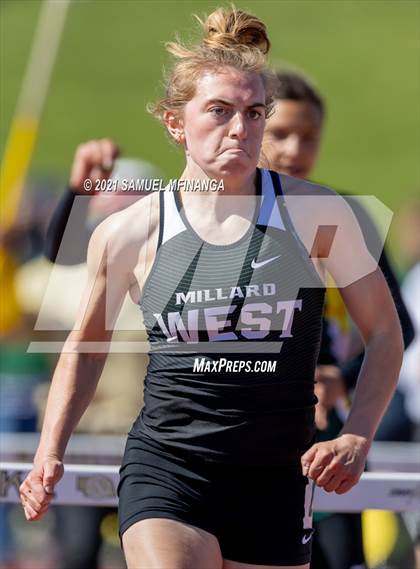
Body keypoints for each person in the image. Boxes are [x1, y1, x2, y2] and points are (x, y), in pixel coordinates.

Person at [19, 7, 404, 569]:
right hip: (169, 467)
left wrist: (359, 436)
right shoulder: (131, 230)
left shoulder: (319, 213)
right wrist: (50, 451)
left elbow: (388, 332)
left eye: (253, 113)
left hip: (275, 473)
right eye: (219, 111)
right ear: (176, 123)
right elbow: (85, 346)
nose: (239, 129)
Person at [261, 69, 414, 569]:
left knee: (339, 556)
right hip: (246, 426)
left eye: (309, 137)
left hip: (329, 428)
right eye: (280, 133)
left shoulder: (346, 215)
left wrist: (339, 378)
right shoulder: (224, 215)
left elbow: (400, 328)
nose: (293, 149)